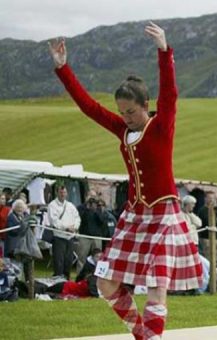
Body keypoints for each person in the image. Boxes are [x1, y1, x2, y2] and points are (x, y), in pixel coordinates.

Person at [48, 23, 202, 339]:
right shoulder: (124, 130)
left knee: (158, 291)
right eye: (122, 112)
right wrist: (63, 69)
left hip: (162, 217)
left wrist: (164, 49)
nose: (126, 117)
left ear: (145, 106)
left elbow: (170, 92)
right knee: (106, 284)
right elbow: (89, 108)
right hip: (133, 218)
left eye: (131, 111)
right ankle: (142, 334)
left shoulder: (162, 127)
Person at [47, 185, 81, 279]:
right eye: (61, 192)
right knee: (59, 261)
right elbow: (54, 221)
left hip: (70, 237)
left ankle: (66, 280)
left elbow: (77, 217)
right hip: (59, 237)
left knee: (68, 260)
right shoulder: (52, 205)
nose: (63, 194)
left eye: (64, 192)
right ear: (57, 193)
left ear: (67, 193)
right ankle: (58, 280)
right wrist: (66, 228)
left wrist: (75, 227)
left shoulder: (70, 205)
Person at [76, 197, 109, 273]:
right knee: (82, 258)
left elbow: (102, 221)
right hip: (85, 236)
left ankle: (97, 275)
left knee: (98, 258)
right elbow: (79, 218)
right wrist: (87, 208)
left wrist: (96, 210)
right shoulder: (82, 208)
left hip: (96, 237)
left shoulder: (99, 209)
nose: (93, 202)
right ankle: (80, 276)